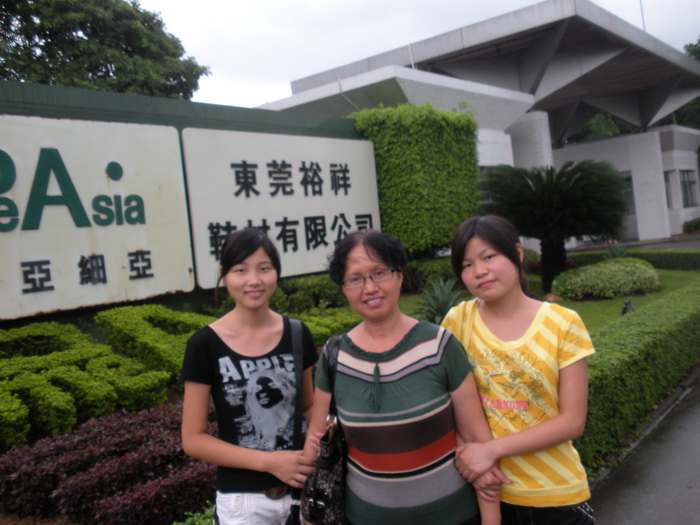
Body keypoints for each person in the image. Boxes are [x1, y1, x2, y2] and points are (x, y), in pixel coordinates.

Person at [303, 229, 501, 525]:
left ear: (399, 275)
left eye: (379, 273)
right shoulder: (335, 356)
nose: (370, 288)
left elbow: (478, 444)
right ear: (343, 288)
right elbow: (317, 443)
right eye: (355, 279)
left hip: (454, 516)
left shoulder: (439, 346)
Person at [441, 215, 596, 525]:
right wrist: (473, 461)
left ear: (517, 253)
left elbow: (572, 421)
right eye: (467, 264)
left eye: (489, 257)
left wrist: (490, 450)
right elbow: (445, 404)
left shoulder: (563, 323)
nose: (479, 271)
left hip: (556, 495)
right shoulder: (457, 322)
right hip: (485, 493)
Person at [181, 228, 318, 525]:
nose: (254, 280)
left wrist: (315, 448)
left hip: (303, 493)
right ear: (223, 275)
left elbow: (309, 405)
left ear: (277, 272)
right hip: (243, 503)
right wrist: (269, 462)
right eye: (240, 270)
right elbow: (192, 439)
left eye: (264, 268)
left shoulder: (297, 333)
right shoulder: (204, 344)